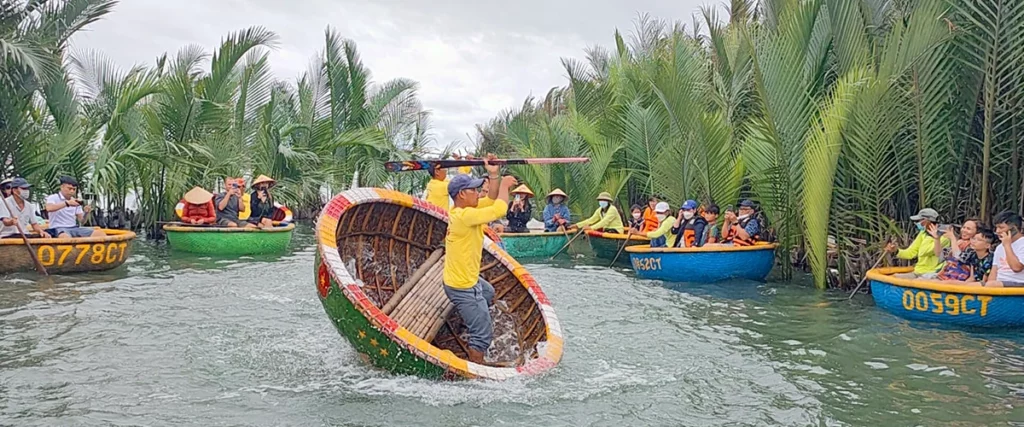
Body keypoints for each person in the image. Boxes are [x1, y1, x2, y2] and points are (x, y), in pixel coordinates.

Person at [443, 155, 517, 364]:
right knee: (483, 336)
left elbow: (492, 199)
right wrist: (504, 185)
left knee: (488, 292)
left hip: (466, 280)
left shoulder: (466, 211)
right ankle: (476, 370)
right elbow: (499, 209)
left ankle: (470, 320)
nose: (478, 193)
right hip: (462, 286)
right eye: (474, 190)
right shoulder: (464, 216)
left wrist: (494, 175)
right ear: (461, 194)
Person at [885, 208, 950, 279]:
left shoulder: (944, 237)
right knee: (894, 277)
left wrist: (931, 236)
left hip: (932, 273)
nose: (918, 223)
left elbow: (924, 251)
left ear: (927, 221)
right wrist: (896, 250)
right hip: (918, 272)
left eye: (920, 220)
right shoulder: (923, 234)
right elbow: (910, 253)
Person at [987, 211, 1024, 287]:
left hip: (1018, 282)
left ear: (1014, 228)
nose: (997, 231)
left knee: (992, 285)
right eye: (996, 228)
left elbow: (1016, 268)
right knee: (964, 285)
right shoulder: (1000, 247)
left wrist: (1007, 245)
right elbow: (994, 271)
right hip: (997, 283)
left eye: (1001, 227)